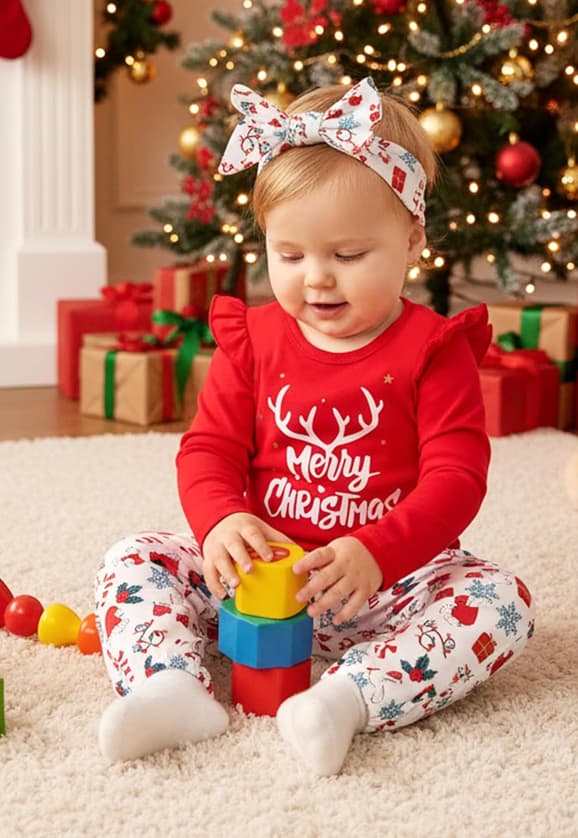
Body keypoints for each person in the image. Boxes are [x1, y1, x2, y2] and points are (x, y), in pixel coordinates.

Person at [95, 77, 535, 774]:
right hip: (258, 577)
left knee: (500, 602)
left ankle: (345, 700)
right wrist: (220, 523)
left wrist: (377, 550)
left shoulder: (433, 350)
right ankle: (171, 687)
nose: (316, 280)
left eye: (348, 256)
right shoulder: (254, 339)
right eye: (290, 255)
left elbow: (458, 478)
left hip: (388, 583)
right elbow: (208, 448)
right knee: (134, 558)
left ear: (412, 239)